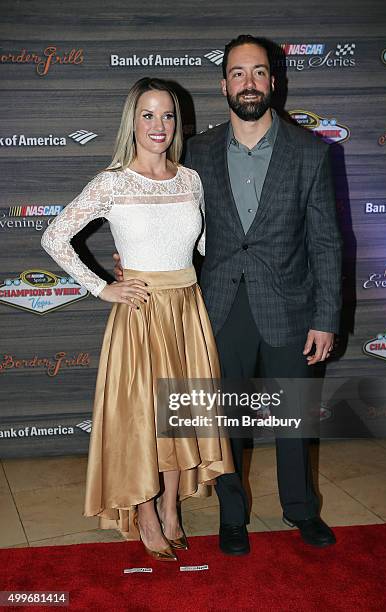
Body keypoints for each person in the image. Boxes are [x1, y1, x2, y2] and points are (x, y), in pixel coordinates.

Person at [115, 35, 343, 556]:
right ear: (223, 85)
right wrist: (131, 260)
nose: (249, 83)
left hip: (290, 305)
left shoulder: (310, 153)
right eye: (238, 73)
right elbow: (161, 214)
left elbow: (327, 242)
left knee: (293, 419)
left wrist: (326, 317)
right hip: (216, 307)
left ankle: (302, 510)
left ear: (273, 82)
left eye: (258, 72)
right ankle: (232, 516)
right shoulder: (194, 152)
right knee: (228, 423)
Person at [41, 77, 234, 562]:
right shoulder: (113, 181)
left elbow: (206, 246)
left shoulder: (190, 180)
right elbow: (55, 236)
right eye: (148, 115)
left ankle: (171, 508)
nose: (159, 125)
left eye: (167, 115)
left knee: (179, 421)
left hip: (188, 311)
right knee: (143, 422)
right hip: (142, 314)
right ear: (132, 120)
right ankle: (144, 512)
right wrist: (105, 285)